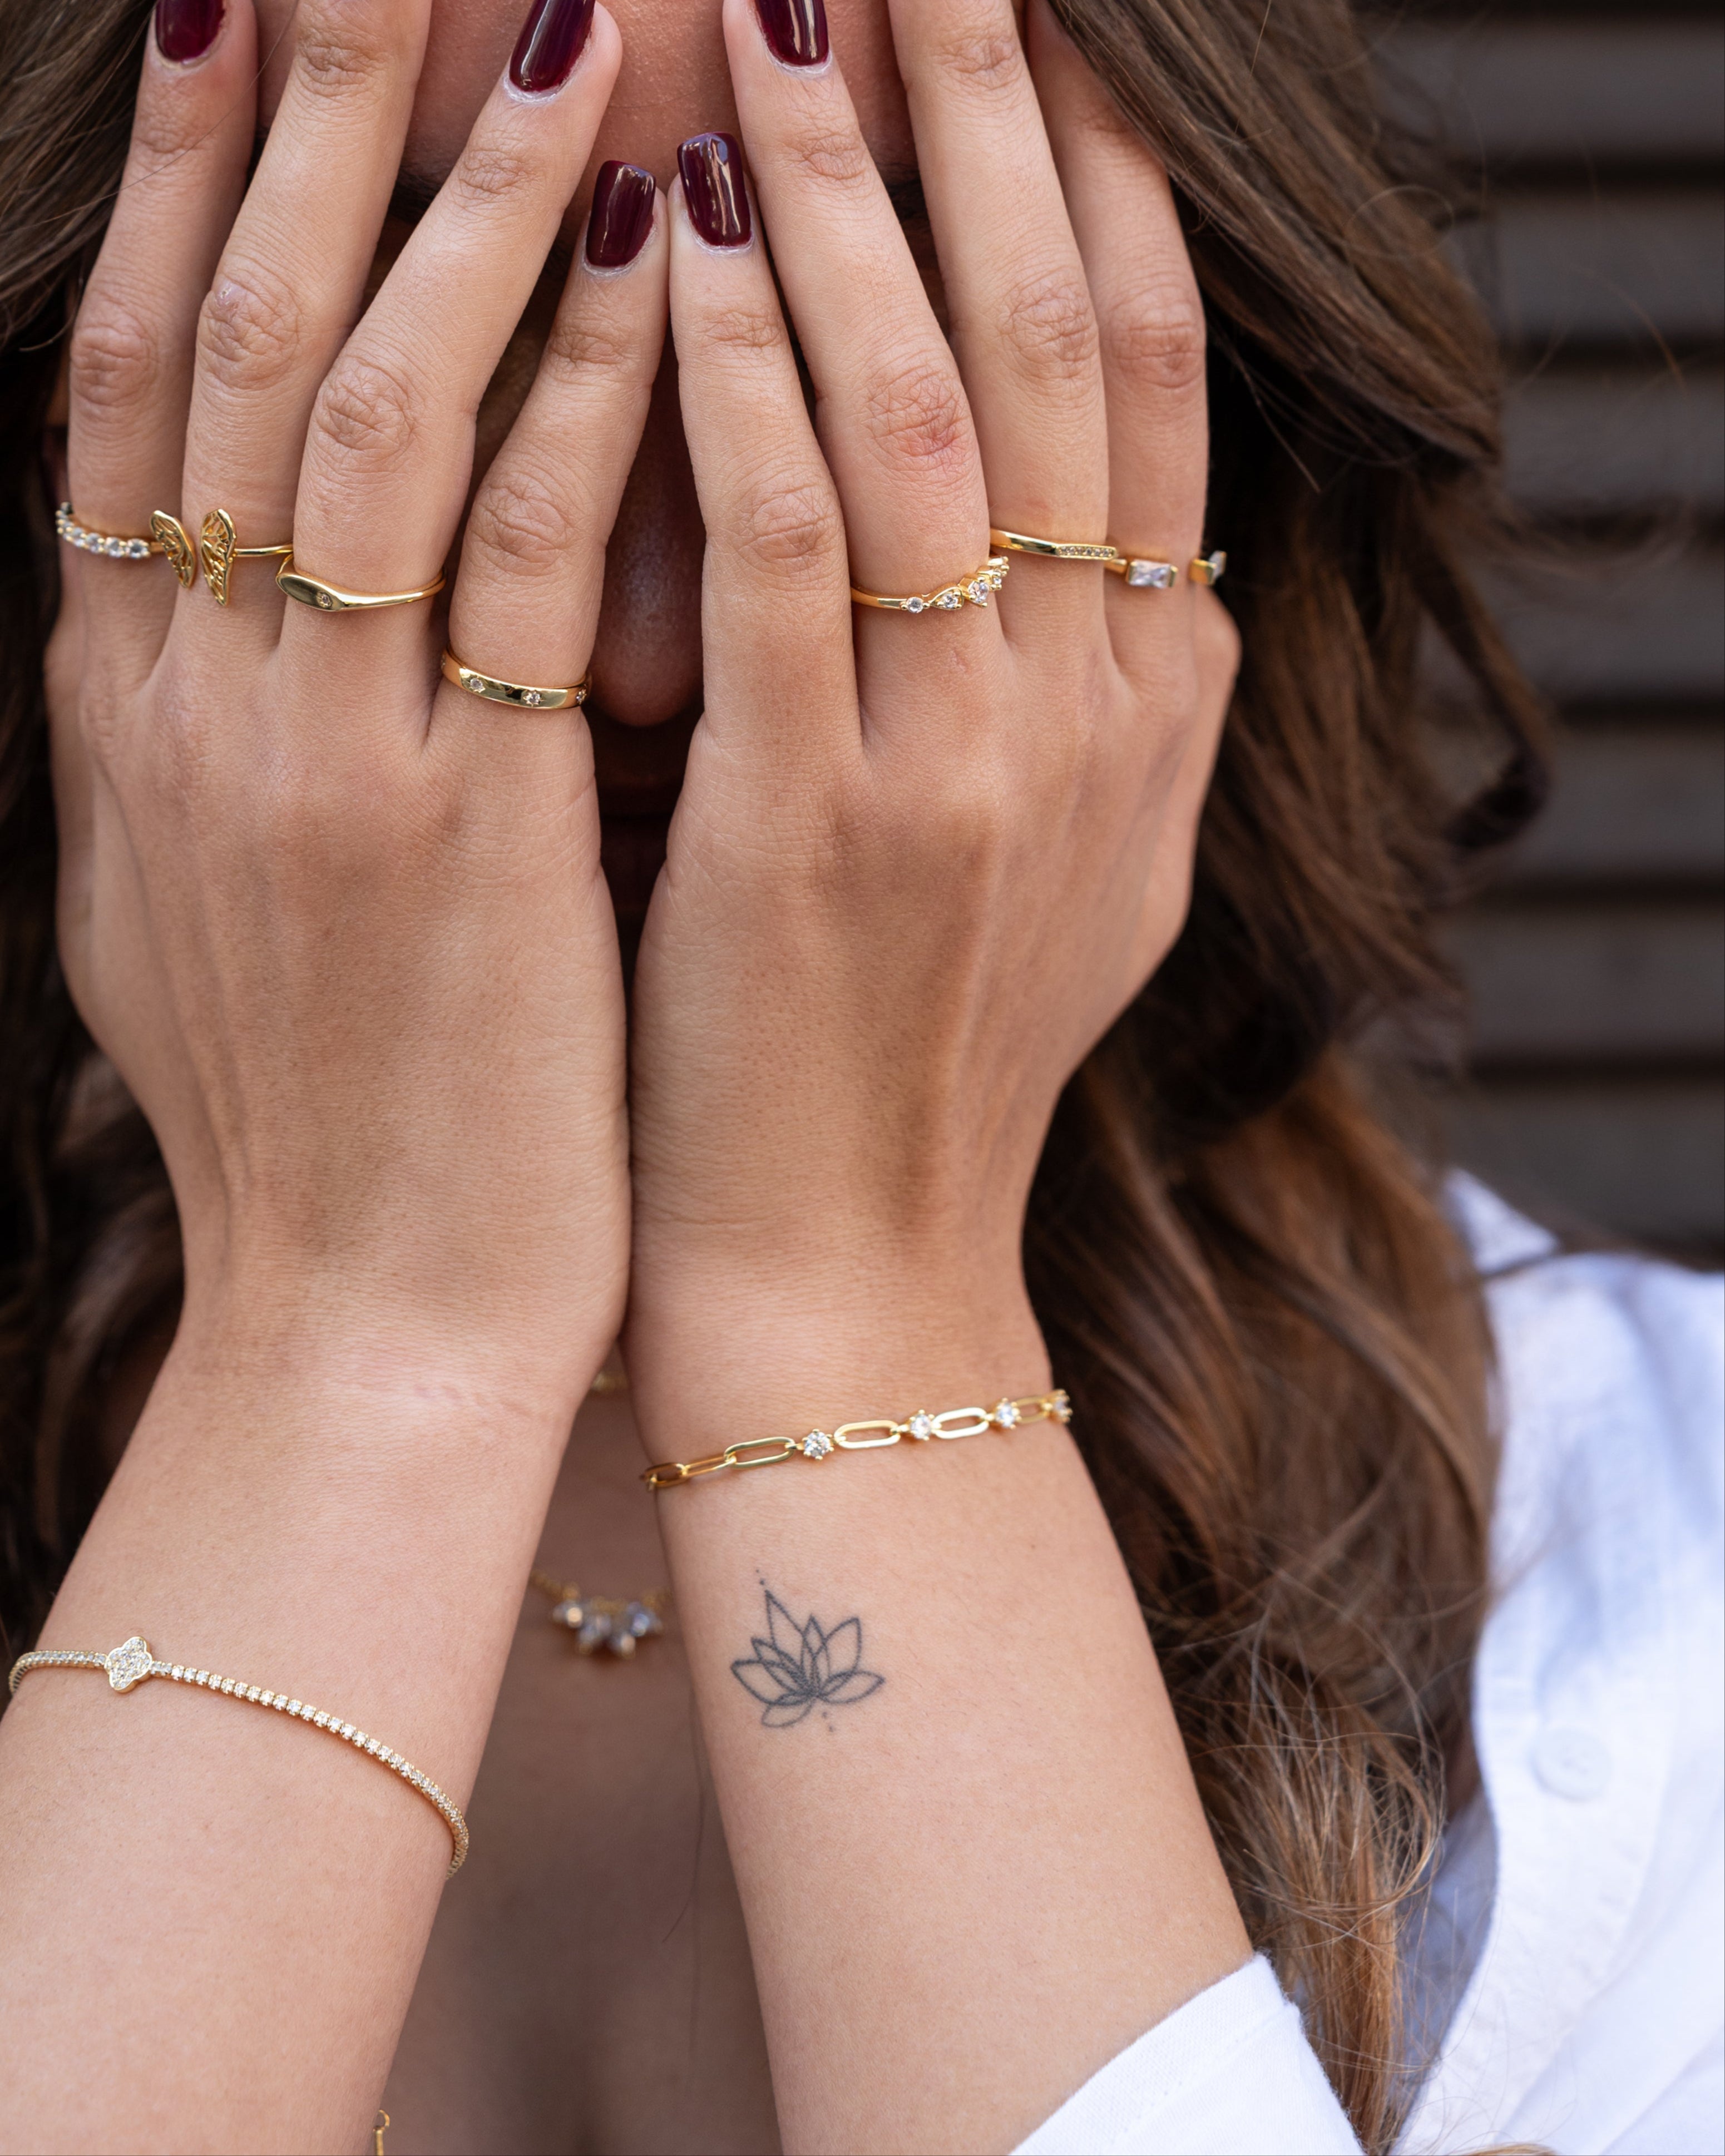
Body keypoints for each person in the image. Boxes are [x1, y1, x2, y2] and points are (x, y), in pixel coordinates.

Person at [0, 0, 1718, 2149]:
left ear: (1189, 414)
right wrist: (351, 1346)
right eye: (429, 339)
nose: (644, 650)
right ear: (92, 411)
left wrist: (848, 1307)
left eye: (846, 342)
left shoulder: (1668, 1605)